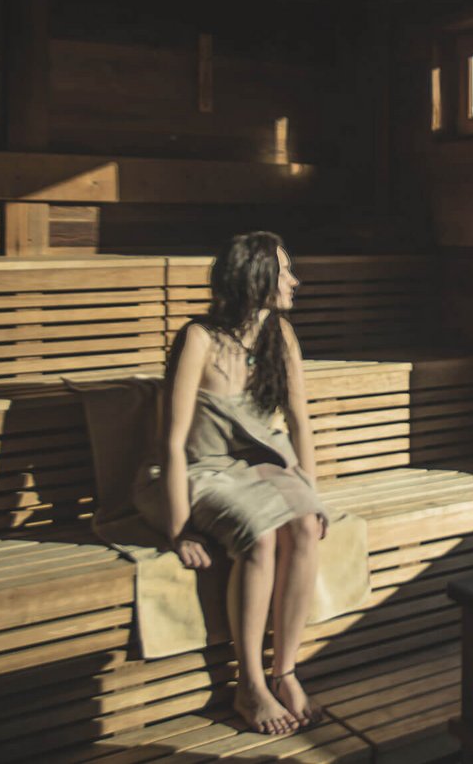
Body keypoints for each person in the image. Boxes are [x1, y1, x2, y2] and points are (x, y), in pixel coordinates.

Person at [157, 231, 329, 735]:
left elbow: (299, 422)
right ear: (256, 278)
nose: (294, 281)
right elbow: (171, 442)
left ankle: (285, 671)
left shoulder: (281, 335)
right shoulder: (199, 339)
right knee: (258, 532)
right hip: (206, 471)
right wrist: (179, 529)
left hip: (264, 465)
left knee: (303, 524)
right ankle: (249, 685)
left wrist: (310, 492)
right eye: (284, 271)